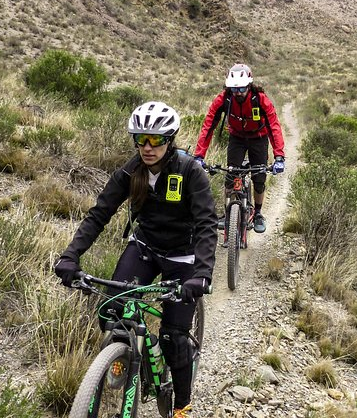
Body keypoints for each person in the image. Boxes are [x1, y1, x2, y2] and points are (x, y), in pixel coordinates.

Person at [54, 101, 217, 418]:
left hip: (183, 255)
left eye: (155, 140)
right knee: (112, 311)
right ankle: (128, 355)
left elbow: (207, 224)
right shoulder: (130, 172)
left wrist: (202, 274)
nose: (147, 146)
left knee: (174, 338)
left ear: (170, 139)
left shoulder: (189, 172)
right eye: (140, 138)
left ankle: (182, 404)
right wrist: (70, 256)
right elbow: (98, 215)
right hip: (145, 246)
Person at [193, 63, 285, 233]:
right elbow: (208, 125)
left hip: (259, 138)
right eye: (234, 90)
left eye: (242, 89)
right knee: (231, 174)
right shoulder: (224, 99)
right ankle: (228, 213)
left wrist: (279, 156)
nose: (239, 93)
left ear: (249, 85)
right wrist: (199, 155)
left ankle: (257, 213)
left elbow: (274, 125)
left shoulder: (260, 99)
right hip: (237, 138)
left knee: (259, 177)